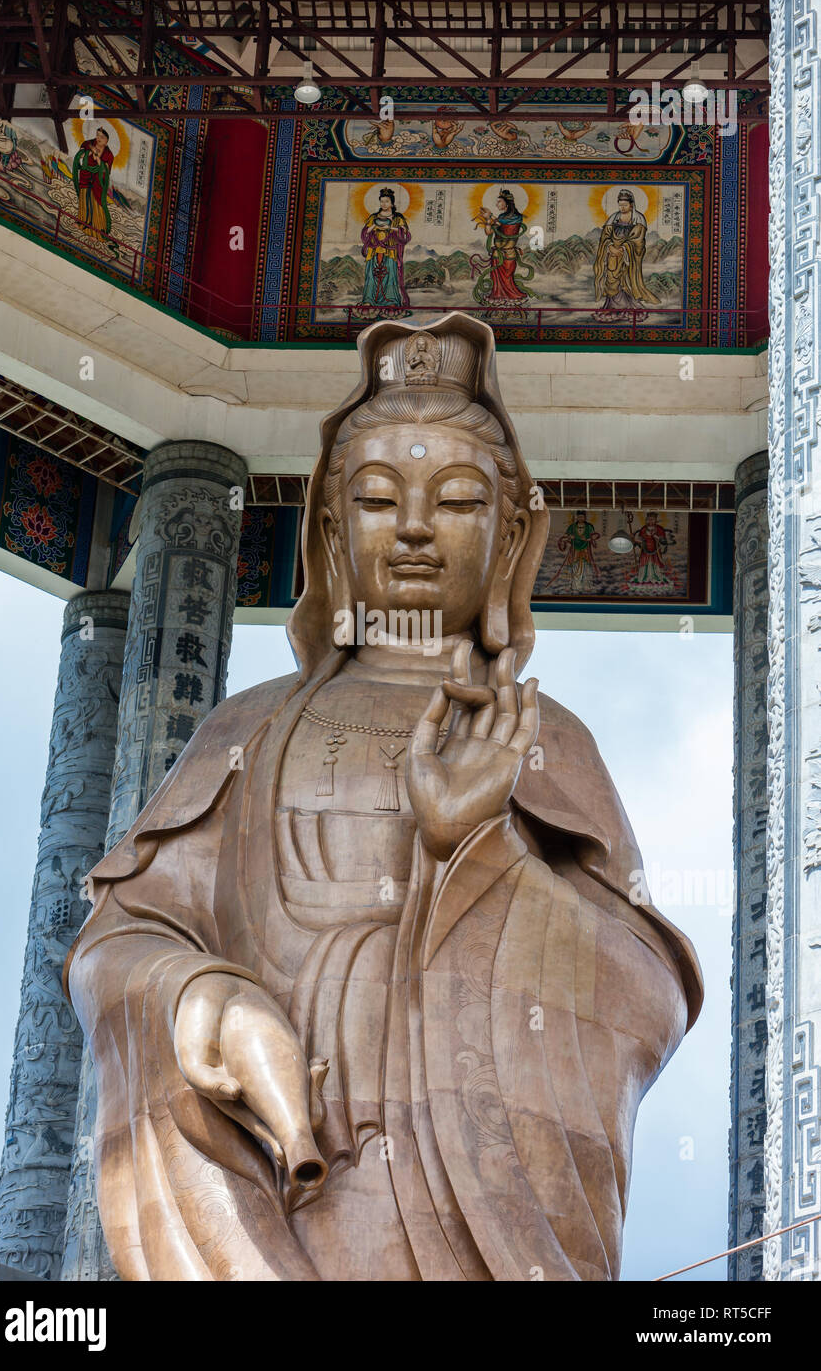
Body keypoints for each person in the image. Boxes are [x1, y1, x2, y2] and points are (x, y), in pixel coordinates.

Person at [66, 312, 701, 1281]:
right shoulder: (247, 729)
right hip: (271, 1170)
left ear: (508, 533)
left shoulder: (541, 737)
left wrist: (474, 849)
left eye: (452, 499)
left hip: (463, 1205)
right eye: (374, 497)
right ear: (328, 523)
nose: (410, 526)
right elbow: (118, 939)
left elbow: (642, 991)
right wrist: (194, 995)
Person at [593, 188, 659, 321]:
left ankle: (628, 308)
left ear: (631, 204)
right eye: (620, 205)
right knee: (611, 280)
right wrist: (610, 246)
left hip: (628, 257)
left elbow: (638, 240)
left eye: (625, 205)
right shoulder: (614, 217)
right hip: (612, 255)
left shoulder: (638, 219)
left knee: (626, 281)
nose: (622, 208)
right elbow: (605, 237)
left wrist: (624, 248)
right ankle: (612, 307)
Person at [356, 188, 411, 319]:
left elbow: (405, 235)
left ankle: (391, 301)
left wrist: (390, 228)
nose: (384, 204)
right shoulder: (374, 217)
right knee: (371, 275)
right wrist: (373, 227)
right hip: (374, 252)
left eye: (386, 201)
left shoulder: (398, 218)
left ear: (392, 203)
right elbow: (364, 233)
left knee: (390, 276)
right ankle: (368, 301)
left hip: (390, 251)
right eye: (382, 201)